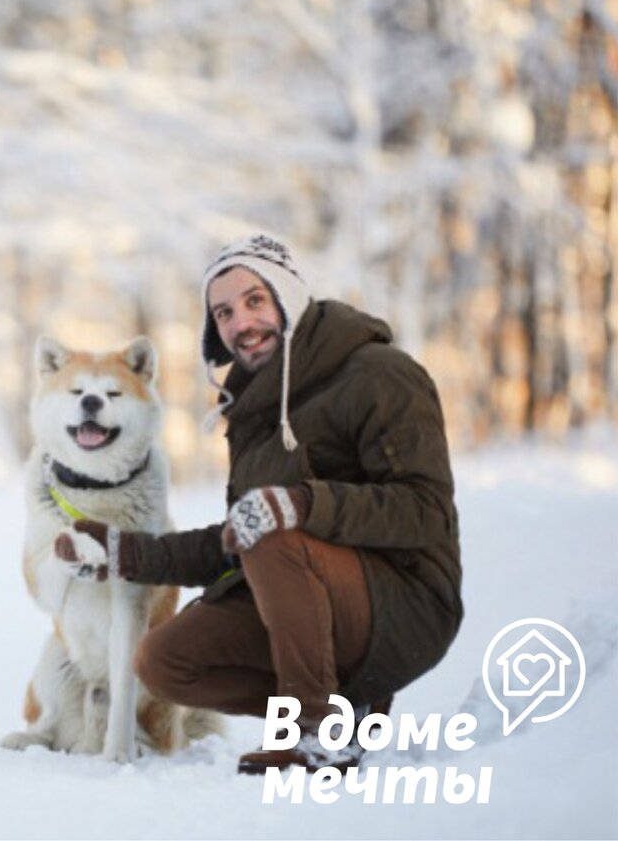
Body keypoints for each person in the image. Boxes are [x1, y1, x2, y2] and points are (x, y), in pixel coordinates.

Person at [55, 234, 463, 774]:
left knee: (273, 530)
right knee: (163, 661)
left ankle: (317, 732)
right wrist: (125, 554)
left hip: (406, 601)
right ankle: (349, 710)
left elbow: (424, 511)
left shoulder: (379, 374)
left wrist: (299, 505)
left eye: (254, 301)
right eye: (223, 312)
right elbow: (239, 540)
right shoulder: (253, 408)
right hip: (303, 594)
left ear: (288, 297)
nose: (240, 323)